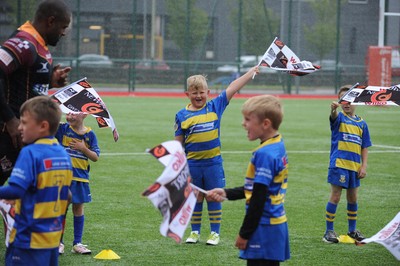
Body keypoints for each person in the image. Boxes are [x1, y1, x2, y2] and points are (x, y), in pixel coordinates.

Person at [174, 66, 259, 246]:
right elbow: (178, 143)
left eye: (202, 92)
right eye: (194, 93)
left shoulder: (215, 106)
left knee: (213, 196)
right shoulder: (181, 115)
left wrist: (250, 73)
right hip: (193, 165)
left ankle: (214, 233)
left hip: (213, 163)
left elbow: (232, 87)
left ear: (208, 92)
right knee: (195, 197)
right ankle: (195, 231)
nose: (198, 96)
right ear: (187, 94)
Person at [207, 95, 290, 266]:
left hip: (263, 226)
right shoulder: (277, 143)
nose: (243, 124)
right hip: (275, 224)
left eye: (247, 119)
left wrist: (244, 234)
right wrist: (227, 193)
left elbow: (258, 200)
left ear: (265, 124)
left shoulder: (264, 154)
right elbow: (259, 188)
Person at [0, 0, 72, 186]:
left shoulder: (39, 44)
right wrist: (10, 120)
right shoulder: (23, 44)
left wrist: (50, 80)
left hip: (29, 133)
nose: (63, 32)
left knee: (39, 187)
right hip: (11, 133)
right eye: (63, 27)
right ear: (50, 21)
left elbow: (22, 80)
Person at [0, 96, 72, 266]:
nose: (19, 127)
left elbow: (16, 191)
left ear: (43, 126)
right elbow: (67, 195)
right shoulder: (63, 154)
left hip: (27, 240)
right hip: (52, 239)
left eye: (24, 123)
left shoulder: (30, 152)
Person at [322, 85, 372, 244]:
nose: (347, 103)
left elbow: (364, 147)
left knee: (353, 198)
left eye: (350, 99)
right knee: (335, 196)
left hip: (354, 167)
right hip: (339, 165)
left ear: (356, 101)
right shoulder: (339, 118)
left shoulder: (362, 124)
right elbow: (333, 116)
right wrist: (333, 110)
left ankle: (352, 230)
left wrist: (363, 166)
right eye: (343, 100)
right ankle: (328, 231)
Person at [56, 112, 100, 254]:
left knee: (78, 208)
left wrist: (83, 148)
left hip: (81, 178)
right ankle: (58, 242)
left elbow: (95, 157)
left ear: (85, 115)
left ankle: (77, 243)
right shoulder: (63, 129)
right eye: (68, 113)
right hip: (63, 177)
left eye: (74, 113)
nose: (70, 116)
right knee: (61, 209)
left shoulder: (90, 135)